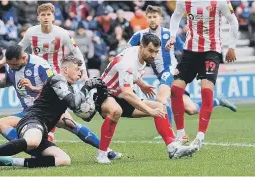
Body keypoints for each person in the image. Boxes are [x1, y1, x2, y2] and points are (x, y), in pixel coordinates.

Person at [0, 45, 120, 161]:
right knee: (0, 124)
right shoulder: (10, 66)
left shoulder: (40, 65)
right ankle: (35, 148)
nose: (12, 67)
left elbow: (54, 87)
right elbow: (7, 81)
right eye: (10, 64)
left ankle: (106, 150)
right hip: (30, 111)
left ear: (24, 58)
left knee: (72, 125)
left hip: (50, 106)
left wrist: (33, 88)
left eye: (14, 64)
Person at [127, 5, 237, 142]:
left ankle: (172, 134)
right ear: (146, 19)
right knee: (191, 109)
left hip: (170, 71)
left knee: (160, 100)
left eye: (155, 17)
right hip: (161, 74)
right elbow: (127, 52)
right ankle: (217, 101)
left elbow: (183, 47)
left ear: (161, 18)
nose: (152, 20)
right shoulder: (140, 35)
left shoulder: (168, 34)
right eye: (149, 17)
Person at [0, 3, 89, 142]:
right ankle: (44, 135)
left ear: (53, 16)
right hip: (37, 74)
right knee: (54, 112)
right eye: (43, 15)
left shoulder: (62, 33)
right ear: (38, 17)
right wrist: (2, 61)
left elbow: (76, 52)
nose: (46, 17)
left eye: (48, 14)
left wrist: (83, 71)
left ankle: (46, 136)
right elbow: (19, 48)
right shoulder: (31, 32)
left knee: (61, 115)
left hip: (55, 76)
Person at [93, 33, 198, 164]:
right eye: (150, 51)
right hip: (104, 94)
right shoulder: (128, 62)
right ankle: (102, 154)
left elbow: (131, 78)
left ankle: (172, 148)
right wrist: (149, 111)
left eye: (156, 52)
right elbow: (127, 93)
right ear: (141, 46)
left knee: (160, 107)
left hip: (120, 96)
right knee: (116, 111)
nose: (153, 55)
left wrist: (142, 84)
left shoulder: (141, 56)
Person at [166, 0, 239, 150]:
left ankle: (200, 137)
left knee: (206, 91)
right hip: (190, 51)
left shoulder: (220, 2)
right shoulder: (184, 2)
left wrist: (232, 47)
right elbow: (175, 16)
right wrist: (172, 36)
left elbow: (233, 21)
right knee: (175, 90)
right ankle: (181, 135)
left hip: (211, 51)